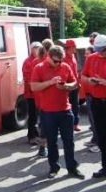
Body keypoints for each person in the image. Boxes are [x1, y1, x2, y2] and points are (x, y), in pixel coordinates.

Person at [30, 45, 85, 179]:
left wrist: (66, 86)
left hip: (65, 110)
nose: (58, 63)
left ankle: (72, 167)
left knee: (69, 140)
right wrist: (50, 82)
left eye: (60, 60)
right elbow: (33, 86)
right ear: (48, 56)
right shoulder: (39, 68)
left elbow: (75, 84)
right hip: (48, 112)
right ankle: (54, 167)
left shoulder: (65, 66)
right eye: (56, 61)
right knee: (52, 141)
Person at [81, 34, 106, 178]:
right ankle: (105, 167)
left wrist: (104, 82)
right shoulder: (92, 58)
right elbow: (82, 77)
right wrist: (89, 80)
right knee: (101, 137)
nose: (99, 53)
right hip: (96, 102)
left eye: (101, 50)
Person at [32, 38, 54, 157]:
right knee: (46, 125)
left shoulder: (36, 61)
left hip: (40, 98)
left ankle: (43, 147)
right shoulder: (45, 62)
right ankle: (43, 147)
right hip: (47, 98)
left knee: (43, 123)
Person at [22, 42, 42, 145]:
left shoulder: (40, 60)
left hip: (38, 93)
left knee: (38, 115)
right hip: (31, 94)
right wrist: (33, 88)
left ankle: (36, 133)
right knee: (32, 115)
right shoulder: (27, 62)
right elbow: (27, 78)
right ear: (31, 49)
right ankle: (31, 136)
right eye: (35, 48)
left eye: (39, 48)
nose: (37, 50)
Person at [82, 46, 99, 153]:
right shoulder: (89, 62)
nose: (85, 55)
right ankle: (95, 139)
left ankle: (98, 143)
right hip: (90, 95)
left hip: (97, 96)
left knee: (97, 122)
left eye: (87, 53)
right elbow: (82, 76)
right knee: (93, 121)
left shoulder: (96, 63)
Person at [63, 39, 80, 131]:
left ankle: (76, 124)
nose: (75, 48)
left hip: (75, 85)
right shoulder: (63, 58)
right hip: (68, 86)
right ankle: (68, 124)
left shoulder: (73, 56)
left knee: (76, 105)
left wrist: (78, 82)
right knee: (68, 106)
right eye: (73, 46)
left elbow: (75, 71)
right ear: (68, 48)